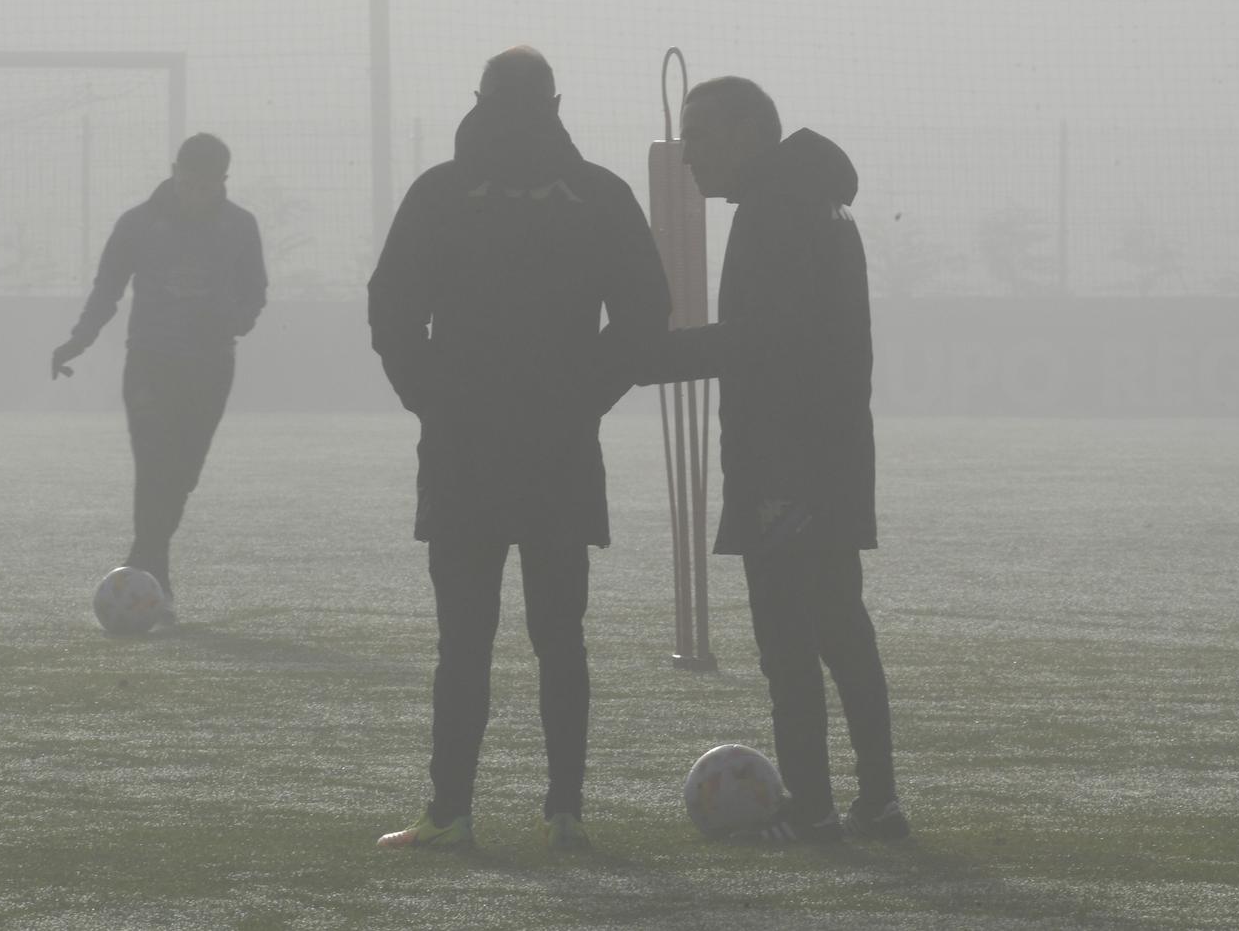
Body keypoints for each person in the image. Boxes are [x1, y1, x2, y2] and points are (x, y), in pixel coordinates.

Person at [367, 47, 669, 854]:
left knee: (463, 640)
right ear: (556, 102)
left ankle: (450, 813)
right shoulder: (599, 195)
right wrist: (583, 396)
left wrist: (434, 396)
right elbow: (646, 316)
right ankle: (564, 811)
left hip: (463, 447)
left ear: (478, 100)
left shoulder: (440, 192)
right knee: (560, 635)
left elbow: (391, 310)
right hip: (560, 449)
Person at [631, 76, 906, 844]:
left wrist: (643, 357)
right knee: (840, 627)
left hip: (786, 460)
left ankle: (812, 808)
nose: (688, 157)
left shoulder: (774, 210)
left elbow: (758, 342)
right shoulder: (815, 198)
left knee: (788, 639)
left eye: (702, 136)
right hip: (833, 452)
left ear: (749, 131)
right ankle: (878, 801)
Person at [52, 132, 267, 623]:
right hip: (150, 362)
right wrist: (77, 341)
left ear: (222, 183)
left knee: (181, 476)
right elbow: (106, 290)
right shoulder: (137, 224)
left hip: (211, 367)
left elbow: (256, 293)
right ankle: (152, 580)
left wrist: (234, 320)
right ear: (174, 172)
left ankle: (142, 564)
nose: (194, 195)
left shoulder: (240, 227)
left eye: (205, 187)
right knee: (154, 467)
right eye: (187, 183)